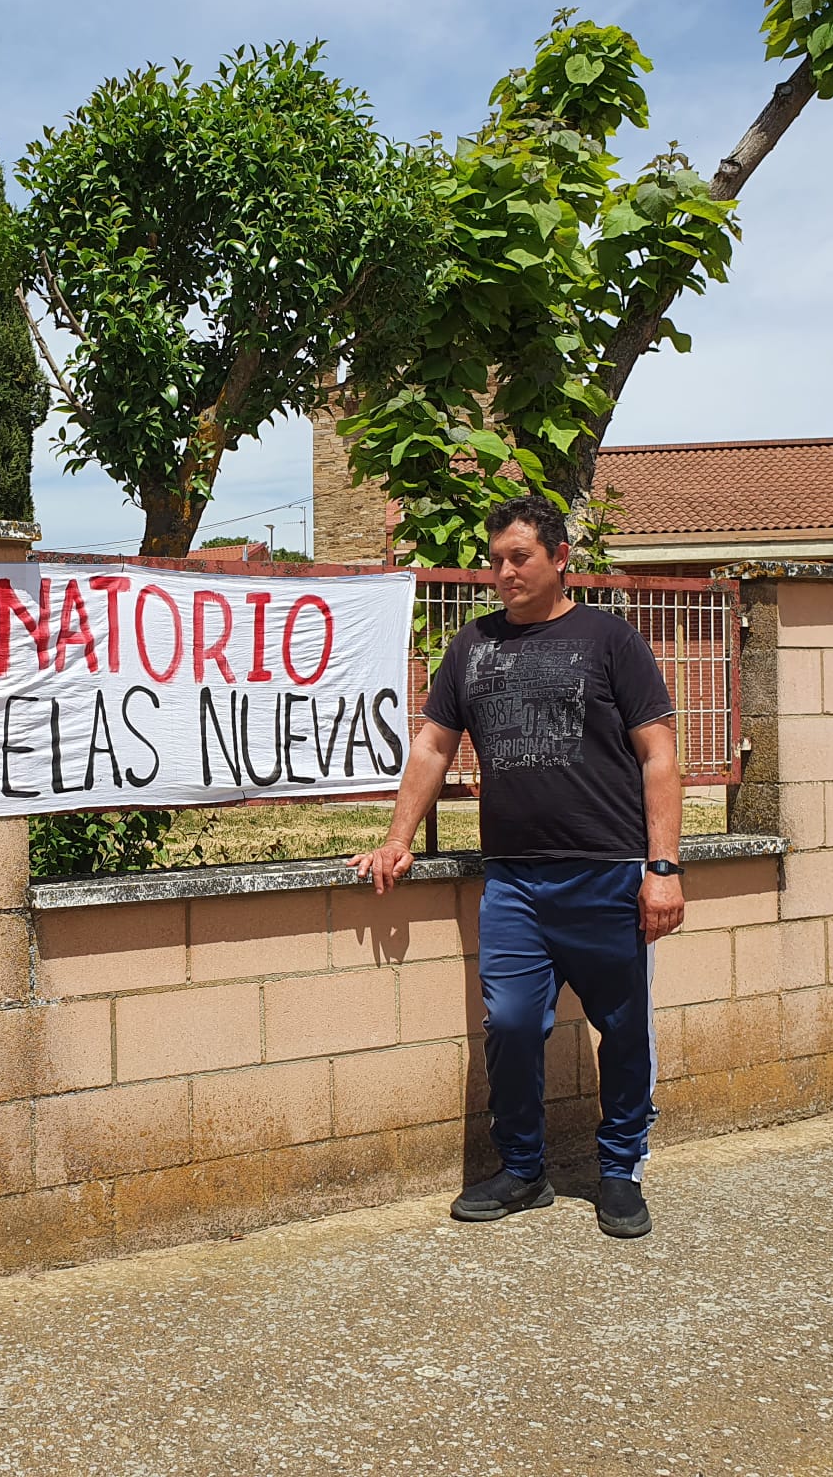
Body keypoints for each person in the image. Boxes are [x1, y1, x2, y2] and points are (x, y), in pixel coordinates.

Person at [348, 495, 685, 1239]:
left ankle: (621, 1170)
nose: (502, 573)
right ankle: (524, 1168)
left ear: (560, 558)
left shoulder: (610, 641)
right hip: (514, 881)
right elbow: (434, 746)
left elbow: (659, 754)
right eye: (494, 560)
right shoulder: (471, 647)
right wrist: (399, 836)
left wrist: (663, 866)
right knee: (509, 1023)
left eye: (519, 558)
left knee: (624, 1028)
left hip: (608, 872)